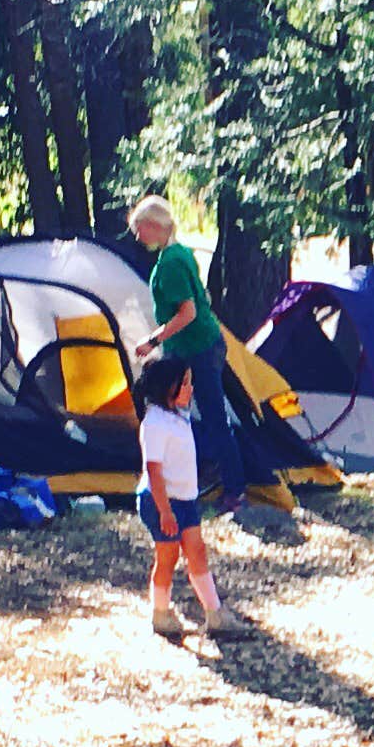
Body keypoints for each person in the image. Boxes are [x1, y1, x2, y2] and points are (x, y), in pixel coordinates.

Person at [127, 197, 240, 515]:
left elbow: (188, 312)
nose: (138, 237)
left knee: (214, 418)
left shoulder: (172, 262)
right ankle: (195, 480)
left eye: (139, 229)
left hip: (198, 347)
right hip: (193, 346)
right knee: (192, 416)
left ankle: (234, 491)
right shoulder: (179, 253)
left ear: (153, 225)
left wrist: (153, 340)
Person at [137, 355, 240, 638]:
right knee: (167, 558)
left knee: (197, 551)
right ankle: (160, 614)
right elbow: (154, 471)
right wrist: (164, 511)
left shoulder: (177, 415)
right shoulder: (154, 423)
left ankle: (214, 613)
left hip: (186, 499)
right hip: (162, 503)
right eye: (184, 383)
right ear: (167, 387)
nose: (190, 389)